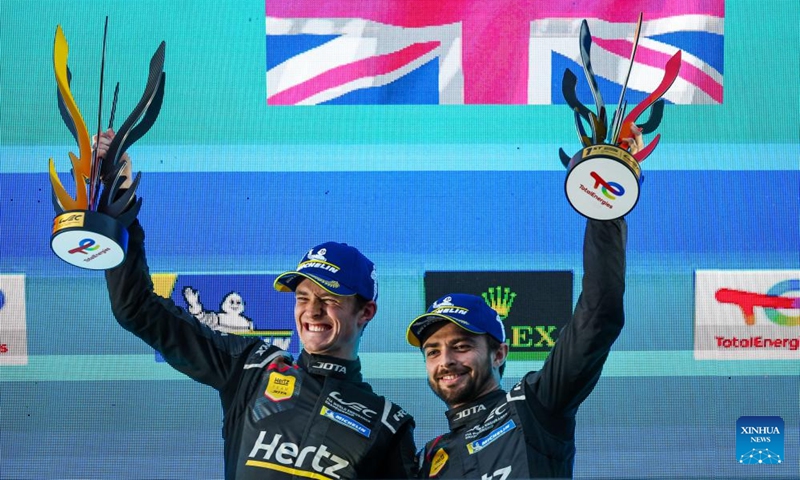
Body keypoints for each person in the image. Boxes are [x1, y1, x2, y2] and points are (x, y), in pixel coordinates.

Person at [96, 130, 417, 479]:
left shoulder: (386, 424)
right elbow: (136, 309)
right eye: (303, 297)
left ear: (365, 312)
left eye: (328, 299)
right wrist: (119, 199)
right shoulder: (251, 369)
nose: (312, 311)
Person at [405, 132, 643, 479]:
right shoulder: (428, 459)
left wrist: (603, 205)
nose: (446, 362)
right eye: (433, 351)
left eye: (460, 346)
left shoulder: (535, 405)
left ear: (499, 353)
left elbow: (599, 313)